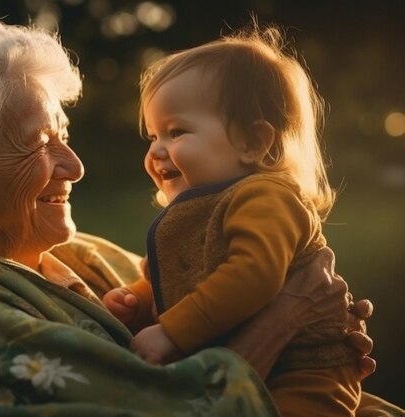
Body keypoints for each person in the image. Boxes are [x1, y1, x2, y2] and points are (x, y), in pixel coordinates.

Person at [0, 17, 394, 417]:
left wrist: (321, 330)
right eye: (38, 145)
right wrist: (284, 320)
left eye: (66, 138)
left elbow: (223, 290)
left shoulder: (83, 256)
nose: (75, 167)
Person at [101, 23, 374, 417]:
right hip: (254, 365)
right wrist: (139, 299)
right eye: (152, 136)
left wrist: (172, 332)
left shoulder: (265, 197)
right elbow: (191, 278)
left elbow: (252, 275)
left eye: (176, 132)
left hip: (303, 373)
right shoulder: (204, 208)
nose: (157, 150)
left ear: (252, 142)